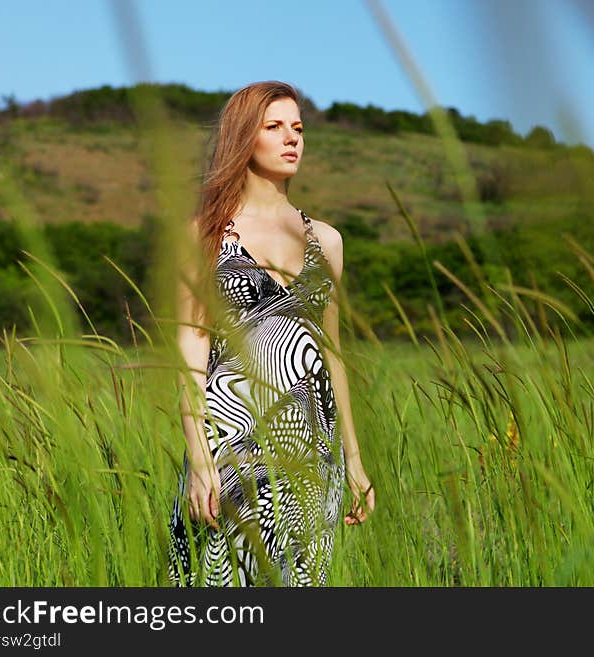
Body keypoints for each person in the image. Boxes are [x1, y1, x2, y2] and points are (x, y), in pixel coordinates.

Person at [167, 81, 375, 586]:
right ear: (244, 138)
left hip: (311, 450)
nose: (292, 139)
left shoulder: (326, 240)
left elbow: (333, 355)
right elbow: (188, 349)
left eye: (298, 128)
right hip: (230, 446)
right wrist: (198, 460)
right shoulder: (204, 235)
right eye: (274, 127)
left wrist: (354, 460)